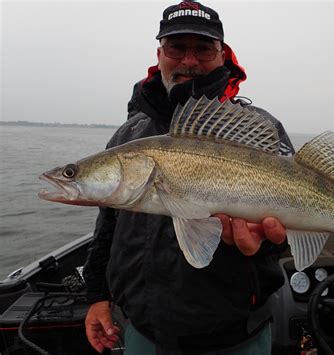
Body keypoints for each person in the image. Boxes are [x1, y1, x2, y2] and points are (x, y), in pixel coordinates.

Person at [83, 1, 294, 354]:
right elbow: (108, 226)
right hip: (144, 334)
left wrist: (268, 241)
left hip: (236, 337)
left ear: (223, 56)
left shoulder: (260, 129)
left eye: (203, 49)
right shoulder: (129, 135)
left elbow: (291, 225)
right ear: (160, 53)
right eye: (177, 47)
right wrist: (97, 297)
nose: (189, 60)